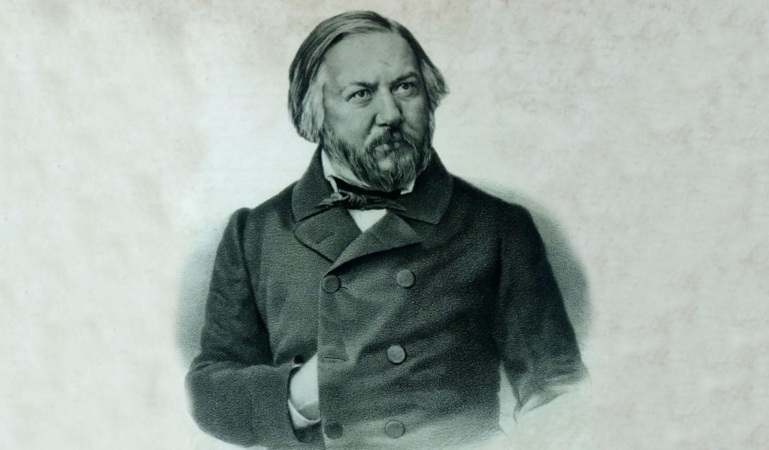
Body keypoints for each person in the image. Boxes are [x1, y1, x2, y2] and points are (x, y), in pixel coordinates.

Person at [186, 10, 586, 449]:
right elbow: (209, 393)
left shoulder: (498, 227)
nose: (391, 114)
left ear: (429, 96)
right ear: (315, 113)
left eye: (405, 87)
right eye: (361, 94)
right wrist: (304, 391)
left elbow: (558, 393)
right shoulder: (256, 233)